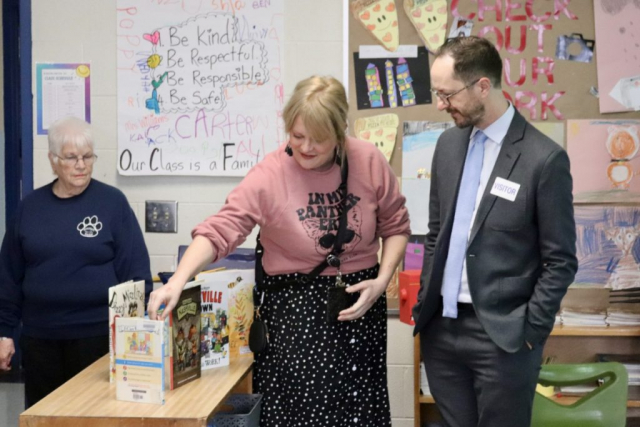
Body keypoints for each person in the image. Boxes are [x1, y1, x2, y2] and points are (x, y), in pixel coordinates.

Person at [148, 75, 410, 426]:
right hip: (295, 315)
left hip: (359, 308)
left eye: (319, 139)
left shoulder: (368, 160)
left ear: (340, 131)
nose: (305, 148)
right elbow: (219, 231)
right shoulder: (270, 175)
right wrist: (178, 280)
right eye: (297, 136)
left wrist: (381, 281)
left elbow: (396, 226)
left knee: (359, 415)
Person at [411, 36, 577, 427]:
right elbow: (437, 234)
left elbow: (561, 260)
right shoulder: (448, 145)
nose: (440, 105)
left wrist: (530, 331)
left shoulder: (544, 159)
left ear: (483, 86)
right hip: (442, 331)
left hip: (504, 338)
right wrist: (424, 306)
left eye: (447, 94)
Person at [0, 117, 152, 408]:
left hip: (98, 338)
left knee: (96, 416)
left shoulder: (112, 203)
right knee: (45, 416)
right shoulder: (29, 208)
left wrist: (134, 336)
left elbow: (136, 274)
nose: (81, 165)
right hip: (41, 338)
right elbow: (9, 277)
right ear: (53, 160)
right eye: (72, 157)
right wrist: (4, 332)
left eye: (87, 156)